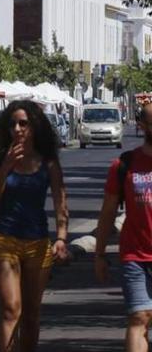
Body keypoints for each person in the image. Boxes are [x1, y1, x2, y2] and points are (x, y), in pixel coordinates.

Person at [0, 100, 69, 352]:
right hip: (5, 241)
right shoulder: (0, 159)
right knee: (11, 310)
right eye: (12, 124)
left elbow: (60, 201)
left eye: (23, 123)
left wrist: (61, 238)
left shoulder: (48, 163)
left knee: (31, 314)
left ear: (34, 126)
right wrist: (6, 167)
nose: (18, 129)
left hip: (37, 243)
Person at [95, 101, 152, 352]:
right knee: (139, 317)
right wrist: (99, 254)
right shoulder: (124, 165)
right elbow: (108, 212)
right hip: (134, 255)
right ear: (142, 125)